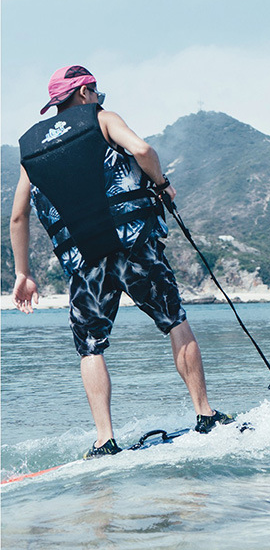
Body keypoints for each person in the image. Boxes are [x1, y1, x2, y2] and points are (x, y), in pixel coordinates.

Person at [10, 65, 233, 459]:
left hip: (84, 261)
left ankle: (104, 440)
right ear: (83, 92)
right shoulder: (102, 119)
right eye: (95, 91)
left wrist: (23, 273)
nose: (98, 97)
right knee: (174, 321)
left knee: (90, 347)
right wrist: (162, 185)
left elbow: (18, 216)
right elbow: (143, 151)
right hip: (133, 246)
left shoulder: (32, 151)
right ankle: (205, 414)